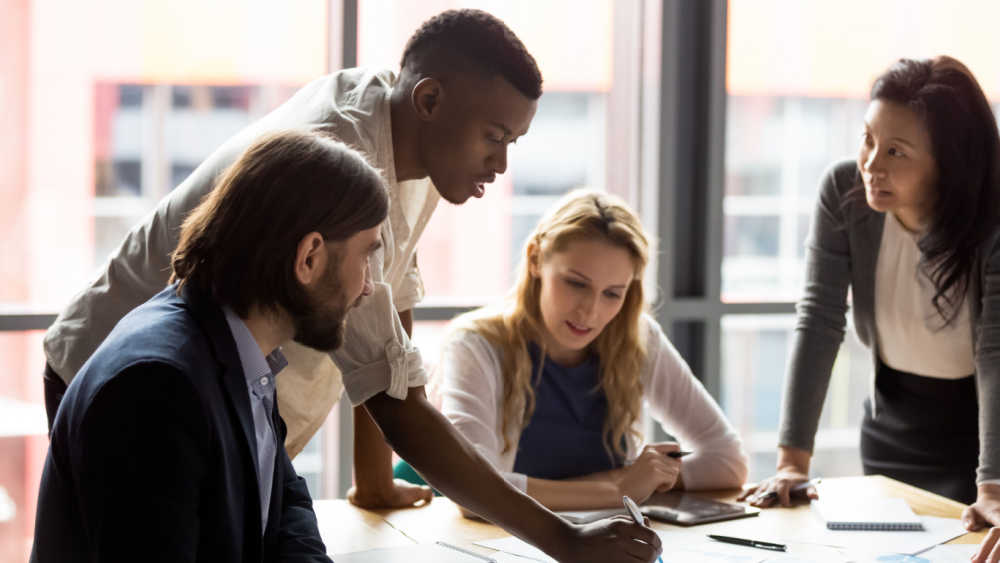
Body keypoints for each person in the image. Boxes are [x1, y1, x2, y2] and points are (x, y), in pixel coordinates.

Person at [41, 8, 538, 509]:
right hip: (130, 383)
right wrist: (568, 543)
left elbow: (391, 310)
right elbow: (398, 405)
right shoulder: (343, 157)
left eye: (512, 142)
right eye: (494, 137)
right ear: (429, 98)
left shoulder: (414, 132)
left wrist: (375, 481)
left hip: (228, 402)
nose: (501, 164)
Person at [32, 130, 385, 562]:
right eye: (366, 256)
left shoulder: (239, 348)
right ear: (309, 257)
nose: (368, 286)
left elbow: (286, 503)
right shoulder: (157, 388)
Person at [739, 56, 1000, 532]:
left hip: (987, 443)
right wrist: (792, 462)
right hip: (892, 427)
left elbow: (995, 351)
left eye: (896, 152)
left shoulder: (992, 221)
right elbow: (819, 319)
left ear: (950, 162)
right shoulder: (843, 192)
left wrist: (994, 487)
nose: (871, 165)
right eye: (867, 139)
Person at [432, 190, 747, 511]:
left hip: (605, 544)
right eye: (576, 283)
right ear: (535, 259)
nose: (590, 312)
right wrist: (620, 489)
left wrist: (643, 478)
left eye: (612, 293)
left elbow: (728, 461)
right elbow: (473, 490)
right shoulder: (475, 346)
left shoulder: (636, 338)